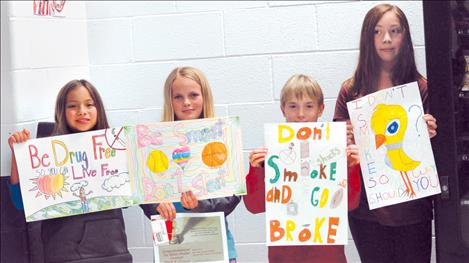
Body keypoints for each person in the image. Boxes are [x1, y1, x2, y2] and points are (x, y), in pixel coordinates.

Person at [333, 4, 438, 263]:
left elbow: (437, 156)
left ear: (405, 36)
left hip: (413, 208)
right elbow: (333, 154)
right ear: (367, 38)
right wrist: (341, 140)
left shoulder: (421, 88)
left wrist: (430, 133)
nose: (387, 39)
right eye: (377, 32)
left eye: (394, 31)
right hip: (366, 210)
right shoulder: (351, 89)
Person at [7, 79, 134, 263]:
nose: (82, 111)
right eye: (73, 106)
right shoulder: (47, 154)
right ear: (62, 111)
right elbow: (20, 202)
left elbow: (138, 193)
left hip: (113, 252)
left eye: (89, 104)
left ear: (98, 109)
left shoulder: (115, 148)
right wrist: (18, 154)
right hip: (65, 255)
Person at [243, 74, 360, 263]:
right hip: (285, 255)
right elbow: (254, 206)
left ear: (321, 109)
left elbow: (351, 204)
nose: (300, 114)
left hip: (327, 255)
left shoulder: (335, 153)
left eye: (308, 106)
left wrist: (352, 167)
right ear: (283, 109)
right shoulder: (272, 154)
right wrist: (256, 169)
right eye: (292, 106)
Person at [156, 66, 241, 263]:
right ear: (169, 100)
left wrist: (199, 205)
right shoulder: (155, 142)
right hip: (172, 248)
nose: (186, 102)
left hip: (214, 245)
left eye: (193, 95)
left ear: (204, 97)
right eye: (178, 97)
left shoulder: (222, 138)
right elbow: (146, 195)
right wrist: (156, 205)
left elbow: (233, 196)